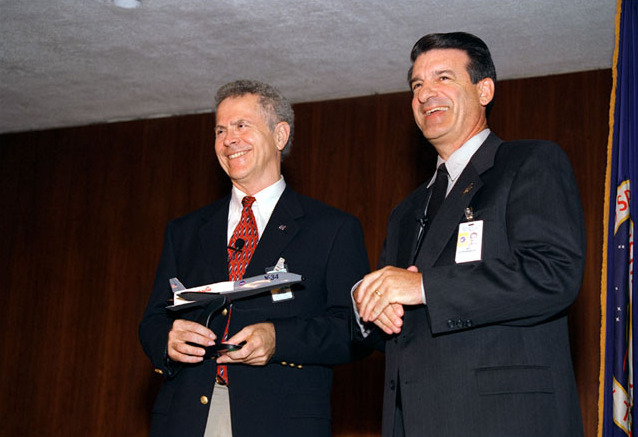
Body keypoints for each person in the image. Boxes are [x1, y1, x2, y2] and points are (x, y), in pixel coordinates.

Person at [353, 32, 585, 437]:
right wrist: (368, 308)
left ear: (484, 90)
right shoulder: (405, 212)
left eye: (443, 78)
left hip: (504, 421)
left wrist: (424, 287)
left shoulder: (529, 162)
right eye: (417, 85)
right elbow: (394, 323)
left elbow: (554, 275)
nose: (426, 94)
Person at [139, 79, 369, 437]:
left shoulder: (333, 229)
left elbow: (354, 331)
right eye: (220, 130)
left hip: (280, 418)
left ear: (279, 136)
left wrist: (279, 339)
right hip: (185, 416)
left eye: (241, 126)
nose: (228, 139)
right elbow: (154, 318)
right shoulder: (185, 231)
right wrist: (167, 340)